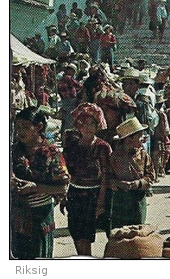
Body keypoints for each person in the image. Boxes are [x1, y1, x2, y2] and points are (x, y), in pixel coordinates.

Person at [11, 106, 70, 259]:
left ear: (39, 127)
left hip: (41, 215)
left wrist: (35, 188)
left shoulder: (50, 153)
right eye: (17, 127)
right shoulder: (13, 151)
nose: (20, 132)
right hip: (17, 214)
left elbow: (63, 187)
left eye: (25, 127)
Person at [61, 102, 112, 255]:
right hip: (75, 194)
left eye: (92, 124)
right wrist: (64, 196)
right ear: (78, 125)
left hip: (94, 195)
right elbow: (65, 172)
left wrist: (100, 203)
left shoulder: (102, 147)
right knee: (77, 233)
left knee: (91, 234)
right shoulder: (72, 144)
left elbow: (105, 177)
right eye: (84, 124)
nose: (88, 128)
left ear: (98, 126)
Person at [107, 116, 156, 231]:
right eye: (139, 137)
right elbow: (107, 176)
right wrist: (117, 183)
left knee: (137, 231)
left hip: (137, 198)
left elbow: (151, 176)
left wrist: (137, 184)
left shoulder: (143, 156)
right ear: (128, 139)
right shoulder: (114, 157)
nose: (142, 139)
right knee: (119, 231)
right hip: (120, 198)